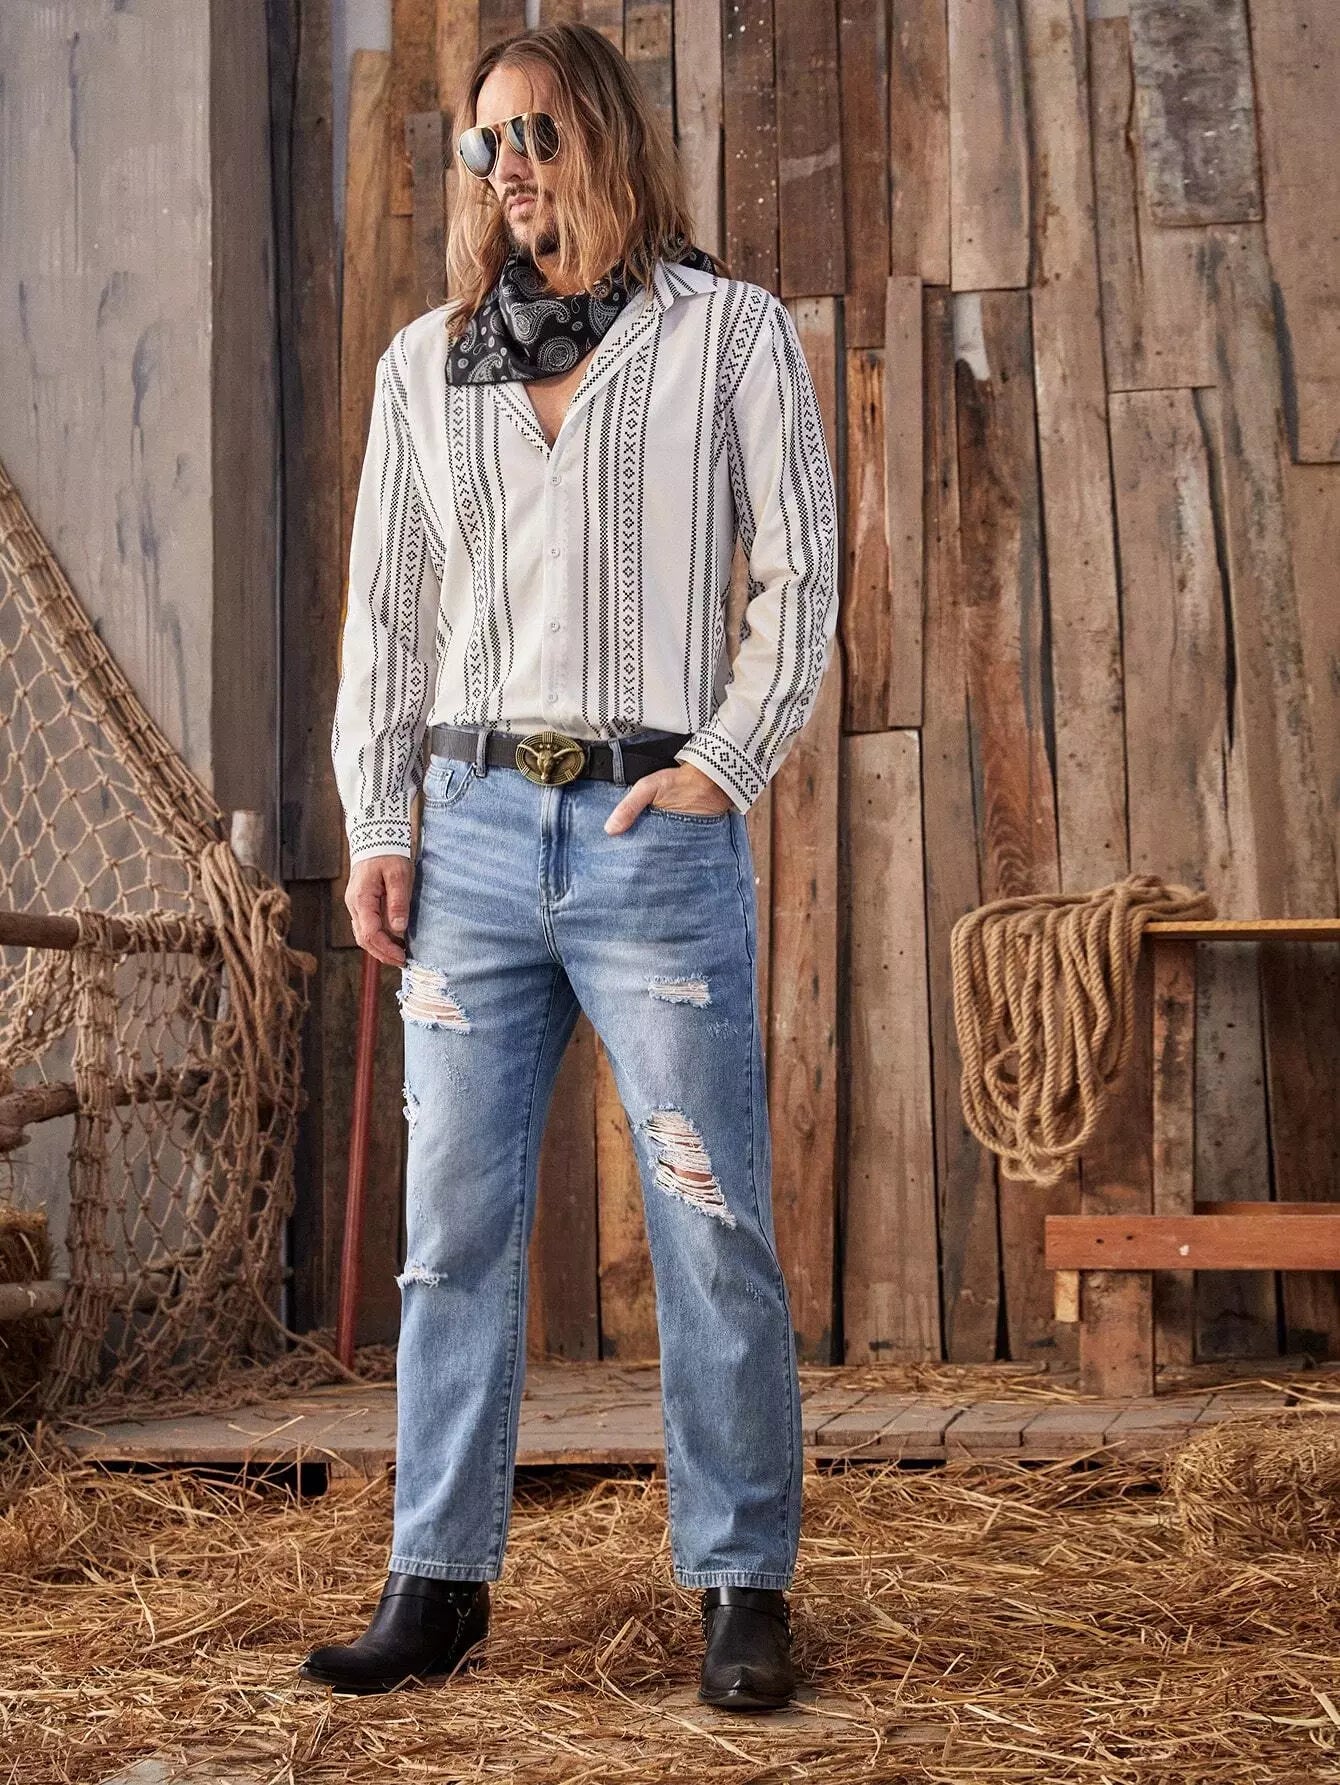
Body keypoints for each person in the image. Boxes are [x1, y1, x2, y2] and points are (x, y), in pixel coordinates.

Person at [303, 21, 838, 1711]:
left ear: (605, 133)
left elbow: (804, 575)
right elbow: (387, 620)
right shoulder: (425, 369)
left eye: (539, 129)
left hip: (642, 836)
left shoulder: (729, 335)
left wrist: (723, 763)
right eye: (487, 141)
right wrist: (382, 824)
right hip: (467, 832)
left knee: (708, 1215)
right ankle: (437, 1579)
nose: (512, 165)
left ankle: (741, 1582)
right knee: (451, 1231)